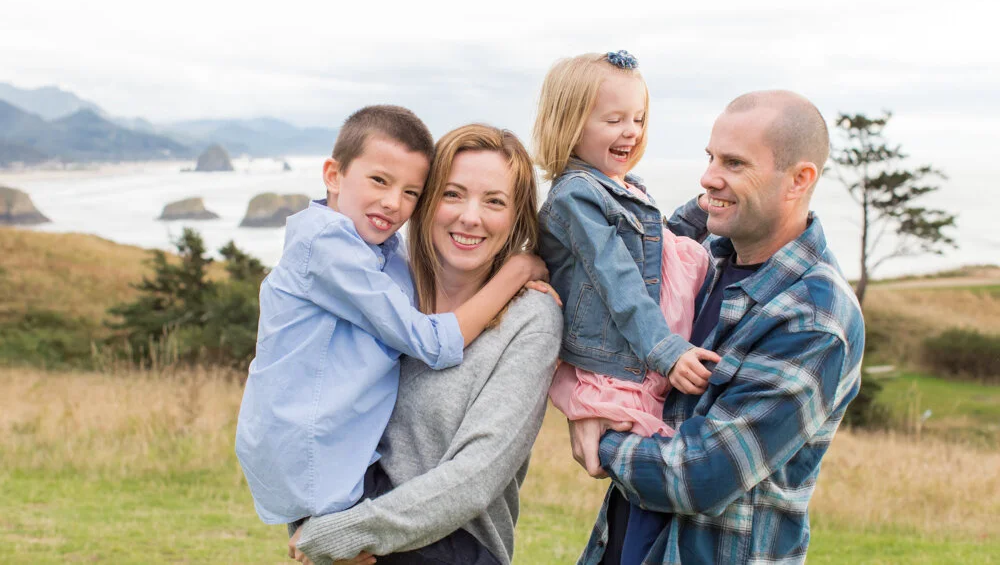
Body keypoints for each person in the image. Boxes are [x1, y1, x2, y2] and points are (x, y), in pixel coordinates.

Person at [571, 91, 866, 565]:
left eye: (734, 163)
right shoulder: (705, 249)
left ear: (799, 180)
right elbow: (618, 261)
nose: (709, 177)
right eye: (710, 157)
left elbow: (701, 475)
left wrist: (600, 435)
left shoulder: (815, 317)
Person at [235, 106, 548, 527]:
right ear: (333, 175)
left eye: (411, 193)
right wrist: (517, 271)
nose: (392, 202)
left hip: (424, 523)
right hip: (320, 476)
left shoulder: (384, 255)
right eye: (379, 181)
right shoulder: (331, 248)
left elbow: (477, 472)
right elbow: (433, 343)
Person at [532, 51, 719, 565]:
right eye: (613, 120)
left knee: (652, 507)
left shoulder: (624, 187)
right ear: (569, 124)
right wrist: (667, 351)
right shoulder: (576, 197)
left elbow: (655, 254)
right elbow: (620, 284)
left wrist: (696, 215)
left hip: (645, 361)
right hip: (626, 368)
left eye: (638, 119)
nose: (630, 131)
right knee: (651, 504)